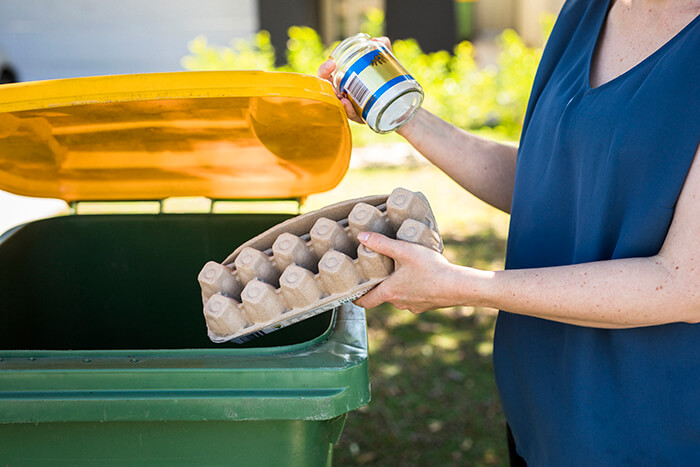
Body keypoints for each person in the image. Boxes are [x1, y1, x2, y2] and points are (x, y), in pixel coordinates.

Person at [319, 0, 700, 464]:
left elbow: (682, 284)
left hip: (649, 431)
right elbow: (548, 180)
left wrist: (460, 285)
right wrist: (402, 114)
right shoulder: (586, 10)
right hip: (542, 413)